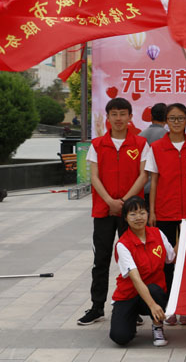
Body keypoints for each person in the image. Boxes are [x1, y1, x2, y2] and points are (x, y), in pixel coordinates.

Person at [79, 97, 149, 326]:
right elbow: (94, 176)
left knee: (132, 261)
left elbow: (144, 176)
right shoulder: (98, 144)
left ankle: (133, 308)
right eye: (114, 114)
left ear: (130, 117)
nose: (119, 118)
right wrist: (110, 201)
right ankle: (97, 307)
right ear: (108, 117)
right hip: (103, 211)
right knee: (101, 259)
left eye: (123, 114)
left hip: (132, 214)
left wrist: (125, 202)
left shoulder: (140, 143)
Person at [146, 103, 186, 326]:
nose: (176, 122)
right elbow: (154, 181)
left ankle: (185, 306)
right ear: (166, 121)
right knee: (167, 261)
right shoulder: (157, 147)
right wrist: (152, 211)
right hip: (164, 211)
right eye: (172, 118)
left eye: (180, 118)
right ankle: (169, 306)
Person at [109, 196, 175, 347]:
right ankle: (130, 316)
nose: (138, 217)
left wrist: (185, 235)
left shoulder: (158, 234)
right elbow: (136, 279)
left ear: (147, 214)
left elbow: (172, 258)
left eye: (142, 213)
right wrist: (152, 306)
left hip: (153, 291)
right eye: (133, 214)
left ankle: (157, 327)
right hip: (129, 294)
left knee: (155, 290)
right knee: (120, 337)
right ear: (125, 218)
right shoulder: (122, 245)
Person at [140, 103, 168, 194]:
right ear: (167, 118)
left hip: (141, 187)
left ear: (151, 116)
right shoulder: (168, 137)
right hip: (160, 187)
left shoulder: (140, 136)